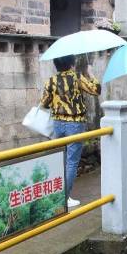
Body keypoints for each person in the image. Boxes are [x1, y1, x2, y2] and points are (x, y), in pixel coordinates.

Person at [41, 54, 101, 208]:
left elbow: (44, 103)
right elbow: (96, 90)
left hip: (57, 124)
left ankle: (57, 195)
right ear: (71, 64)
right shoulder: (77, 77)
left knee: (59, 159)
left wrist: (58, 102)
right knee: (72, 162)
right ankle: (64, 199)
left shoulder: (51, 80)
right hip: (75, 123)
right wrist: (91, 73)